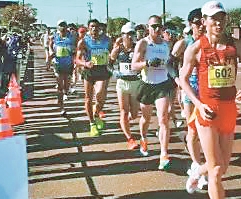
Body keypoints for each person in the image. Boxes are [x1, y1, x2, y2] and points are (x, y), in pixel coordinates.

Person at [179, 0, 241, 199]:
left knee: (222, 166)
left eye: (222, 18)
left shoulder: (236, 45)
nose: (219, 22)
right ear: (204, 21)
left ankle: (196, 171)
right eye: (213, 18)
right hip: (207, 111)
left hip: (229, 109)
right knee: (215, 169)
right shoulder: (195, 48)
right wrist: (198, 104)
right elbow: (182, 80)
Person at [131, 15, 176, 168]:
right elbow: (134, 65)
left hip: (162, 84)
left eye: (159, 26)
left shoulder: (166, 44)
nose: (157, 29)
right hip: (147, 85)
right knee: (146, 118)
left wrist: (176, 77)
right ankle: (143, 138)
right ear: (148, 27)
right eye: (153, 26)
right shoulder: (143, 43)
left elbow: (168, 64)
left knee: (163, 118)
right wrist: (147, 63)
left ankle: (164, 154)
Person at [173, 8, 208, 192]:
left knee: (208, 131)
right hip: (190, 88)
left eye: (203, 21)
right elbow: (170, 62)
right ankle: (197, 165)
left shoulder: (210, 41)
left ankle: (203, 164)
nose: (201, 25)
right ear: (190, 24)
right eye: (197, 22)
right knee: (193, 129)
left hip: (207, 89)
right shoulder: (184, 43)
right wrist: (177, 79)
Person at [75, 18, 112, 136]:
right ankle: (92, 124)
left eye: (96, 26)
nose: (94, 28)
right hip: (89, 71)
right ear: (88, 28)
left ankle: (96, 115)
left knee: (100, 95)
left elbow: (112, 55)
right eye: (92, 26)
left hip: (102, 71)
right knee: (88, 99)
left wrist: (111, 61)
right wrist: (85, 63)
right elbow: (77, 60)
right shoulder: (83, 42)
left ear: (99, 28)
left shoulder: (107, 40)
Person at [110, 21, 142, 149]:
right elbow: (109, 64)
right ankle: (130, 138)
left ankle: (126, 121)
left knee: (134, 114)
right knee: (123, 111)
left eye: (131, 33)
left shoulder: (138, 47)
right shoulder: (118, 49)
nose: (129, 36)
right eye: (127, 34)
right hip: (122, 83)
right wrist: (114, 72)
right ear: (122, 35)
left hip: (135, 83)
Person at [48, 20, 76, 116]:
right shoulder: (54, 37)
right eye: (60, 25)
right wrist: (50, 55)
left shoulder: (72, 37)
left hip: (68, 64)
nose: (62, 27)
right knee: (60, 86)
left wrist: (74, 56)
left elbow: (76, 48)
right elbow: (50, 46)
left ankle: (65, 93)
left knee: (66, 86)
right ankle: (61, 106)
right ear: (57, 27)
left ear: (67, 26)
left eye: (64, 25)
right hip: (58, 64)